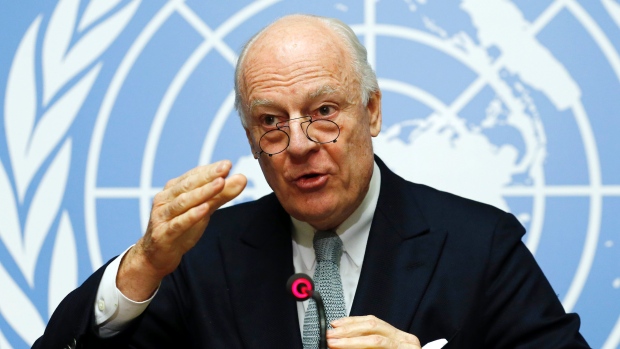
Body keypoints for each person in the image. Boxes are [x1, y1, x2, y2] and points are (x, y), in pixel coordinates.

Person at [34, 14, 589, 349]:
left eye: (323, 110)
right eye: (271, 122)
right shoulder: (200, 256)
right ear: (251, 138)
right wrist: (144, 265)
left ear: (371, 112)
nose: (298, 144)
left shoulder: (480, 244)